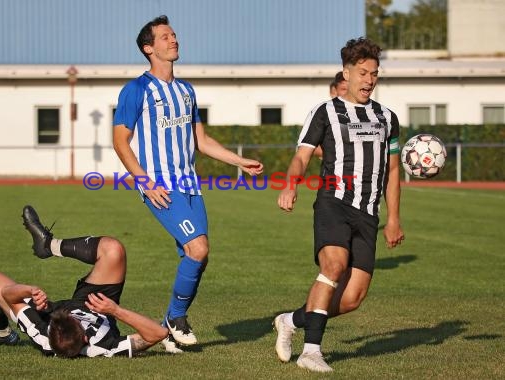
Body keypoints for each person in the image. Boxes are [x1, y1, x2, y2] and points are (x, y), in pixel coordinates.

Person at [112, 15, 263, 351]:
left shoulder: (186, 90)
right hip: (161, 186)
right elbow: (121, 141)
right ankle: (177, 318)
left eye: (174, 35)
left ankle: (167, 325)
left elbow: (202, 141)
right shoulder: (136, 90)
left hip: (190, 185)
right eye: (165, 37)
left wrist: (241, 161)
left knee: (198, 257)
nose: (173, 40)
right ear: (148, 48)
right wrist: (145, 182)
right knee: (199, 248)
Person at [275, 37, 405, 373]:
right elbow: (301, 156)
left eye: (374, 73)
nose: (369, 80)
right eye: (363, 73)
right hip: (333, 202)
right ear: (346, 74)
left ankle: (291, 320)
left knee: (351, 299)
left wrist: (393, 219)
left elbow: (392, 170)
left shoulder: (387, 118)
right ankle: (311, 352)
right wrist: (291, 186)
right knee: (333, 265)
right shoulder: (325, 112)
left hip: (368, 213)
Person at [0, 205, 169, 358]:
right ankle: (49, 246)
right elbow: (158, 334)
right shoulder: (102, 346)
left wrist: (29, 291)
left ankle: (2, 334)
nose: (72, 315)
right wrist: (115, 311)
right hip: (98, 304)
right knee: (113, 250)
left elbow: (8, 295)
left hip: (53, 310)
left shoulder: (42, 332)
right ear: (85, 337)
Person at [314, 71, 349, 159]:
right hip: (333, 169)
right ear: (334, 90)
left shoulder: (366, 113)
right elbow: (309, 146)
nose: (347, 93)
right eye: (343, 89)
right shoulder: (324, 114)